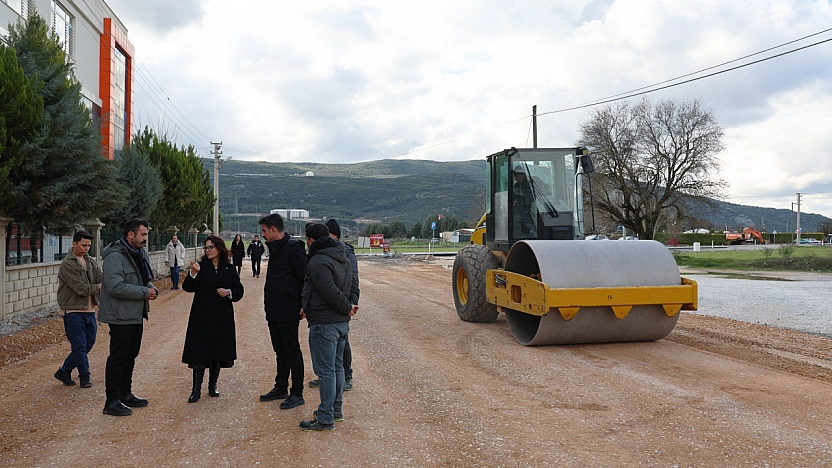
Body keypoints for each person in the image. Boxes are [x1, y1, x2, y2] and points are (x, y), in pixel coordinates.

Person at [299, 223, 359, 432]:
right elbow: (353, 284)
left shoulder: (318, 260)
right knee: (336, 368)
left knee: (326, 372)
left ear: (311, 240)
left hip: (325, 324)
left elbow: (327, 290)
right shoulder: (342, 256)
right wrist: (350, 306)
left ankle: (325, 417)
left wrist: (346, 307)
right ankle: (335, 409)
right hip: (341, 322)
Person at [98, 219, 158, 417]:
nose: (145, 238)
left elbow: (145, 279)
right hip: (120, 316)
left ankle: (125, 393)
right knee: (118, 358)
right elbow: (115, 286)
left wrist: (151, 289)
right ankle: (111, 400)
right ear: (130, 235)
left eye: (146, 234)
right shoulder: (115, 257)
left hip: (135, 314)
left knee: (130, 356)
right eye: (143, 234)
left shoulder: (140, 254)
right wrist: (143, 292)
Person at [181, 235, 244, 403]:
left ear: (219, 248)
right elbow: (187, 287)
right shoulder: (201, 267)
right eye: (206, 248)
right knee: (199, 354)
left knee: (218, 352)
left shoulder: (228, 269)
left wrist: (228, 292)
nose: (207, 250)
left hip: (222, 316)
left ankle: (213, 384)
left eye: (210, 247)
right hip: (202, 315)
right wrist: (193, 274)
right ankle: (196, 390)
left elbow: (239, 290)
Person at [258, 213, 308, 410]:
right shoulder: (275, 248)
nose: (262, 234)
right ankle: (281, 387)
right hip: (274, 308)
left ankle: (297, 393)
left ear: (273, 229)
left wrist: (305, 304)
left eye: (263, 230)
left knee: (292, 350)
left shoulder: (293, 248)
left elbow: (305, 278)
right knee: (280, 350)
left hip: (288, 309)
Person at [308, 218, 359, 391]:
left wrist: (349, 306)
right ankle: (333, 386)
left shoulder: (345, 254)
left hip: (339, 311)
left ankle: (347, 376)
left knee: (338, 356)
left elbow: (352, 281)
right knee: (331, 362)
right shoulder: (324, 255)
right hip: (333, 310)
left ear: (335, 236)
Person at [54, 231, 102, 389]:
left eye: (88, 245)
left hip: (89, 311)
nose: (86, 248)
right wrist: (100, 286)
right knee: (80, 345)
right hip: (73, 311)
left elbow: (100, 278)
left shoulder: (91, 262)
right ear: (74, 244)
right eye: (83, 245)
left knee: (89, 342)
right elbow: (81, 288)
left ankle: (65, 370)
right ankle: (84, 376)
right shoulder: (67, 264)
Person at [513, 165, 536, 236]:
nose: (515, 178)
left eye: (516, 176)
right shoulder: (517, 186)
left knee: (523, 216)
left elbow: (548, 190)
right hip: (522, 207)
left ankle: (532, 231)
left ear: (521, 175)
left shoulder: (532, 182)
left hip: (531, 206)